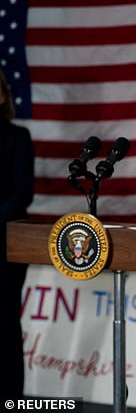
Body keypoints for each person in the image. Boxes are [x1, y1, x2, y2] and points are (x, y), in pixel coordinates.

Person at [0, 68, 35, 400]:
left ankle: (11, 400)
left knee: (6, 328)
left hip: (7, 247)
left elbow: (22, 192)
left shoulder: (17, 137)